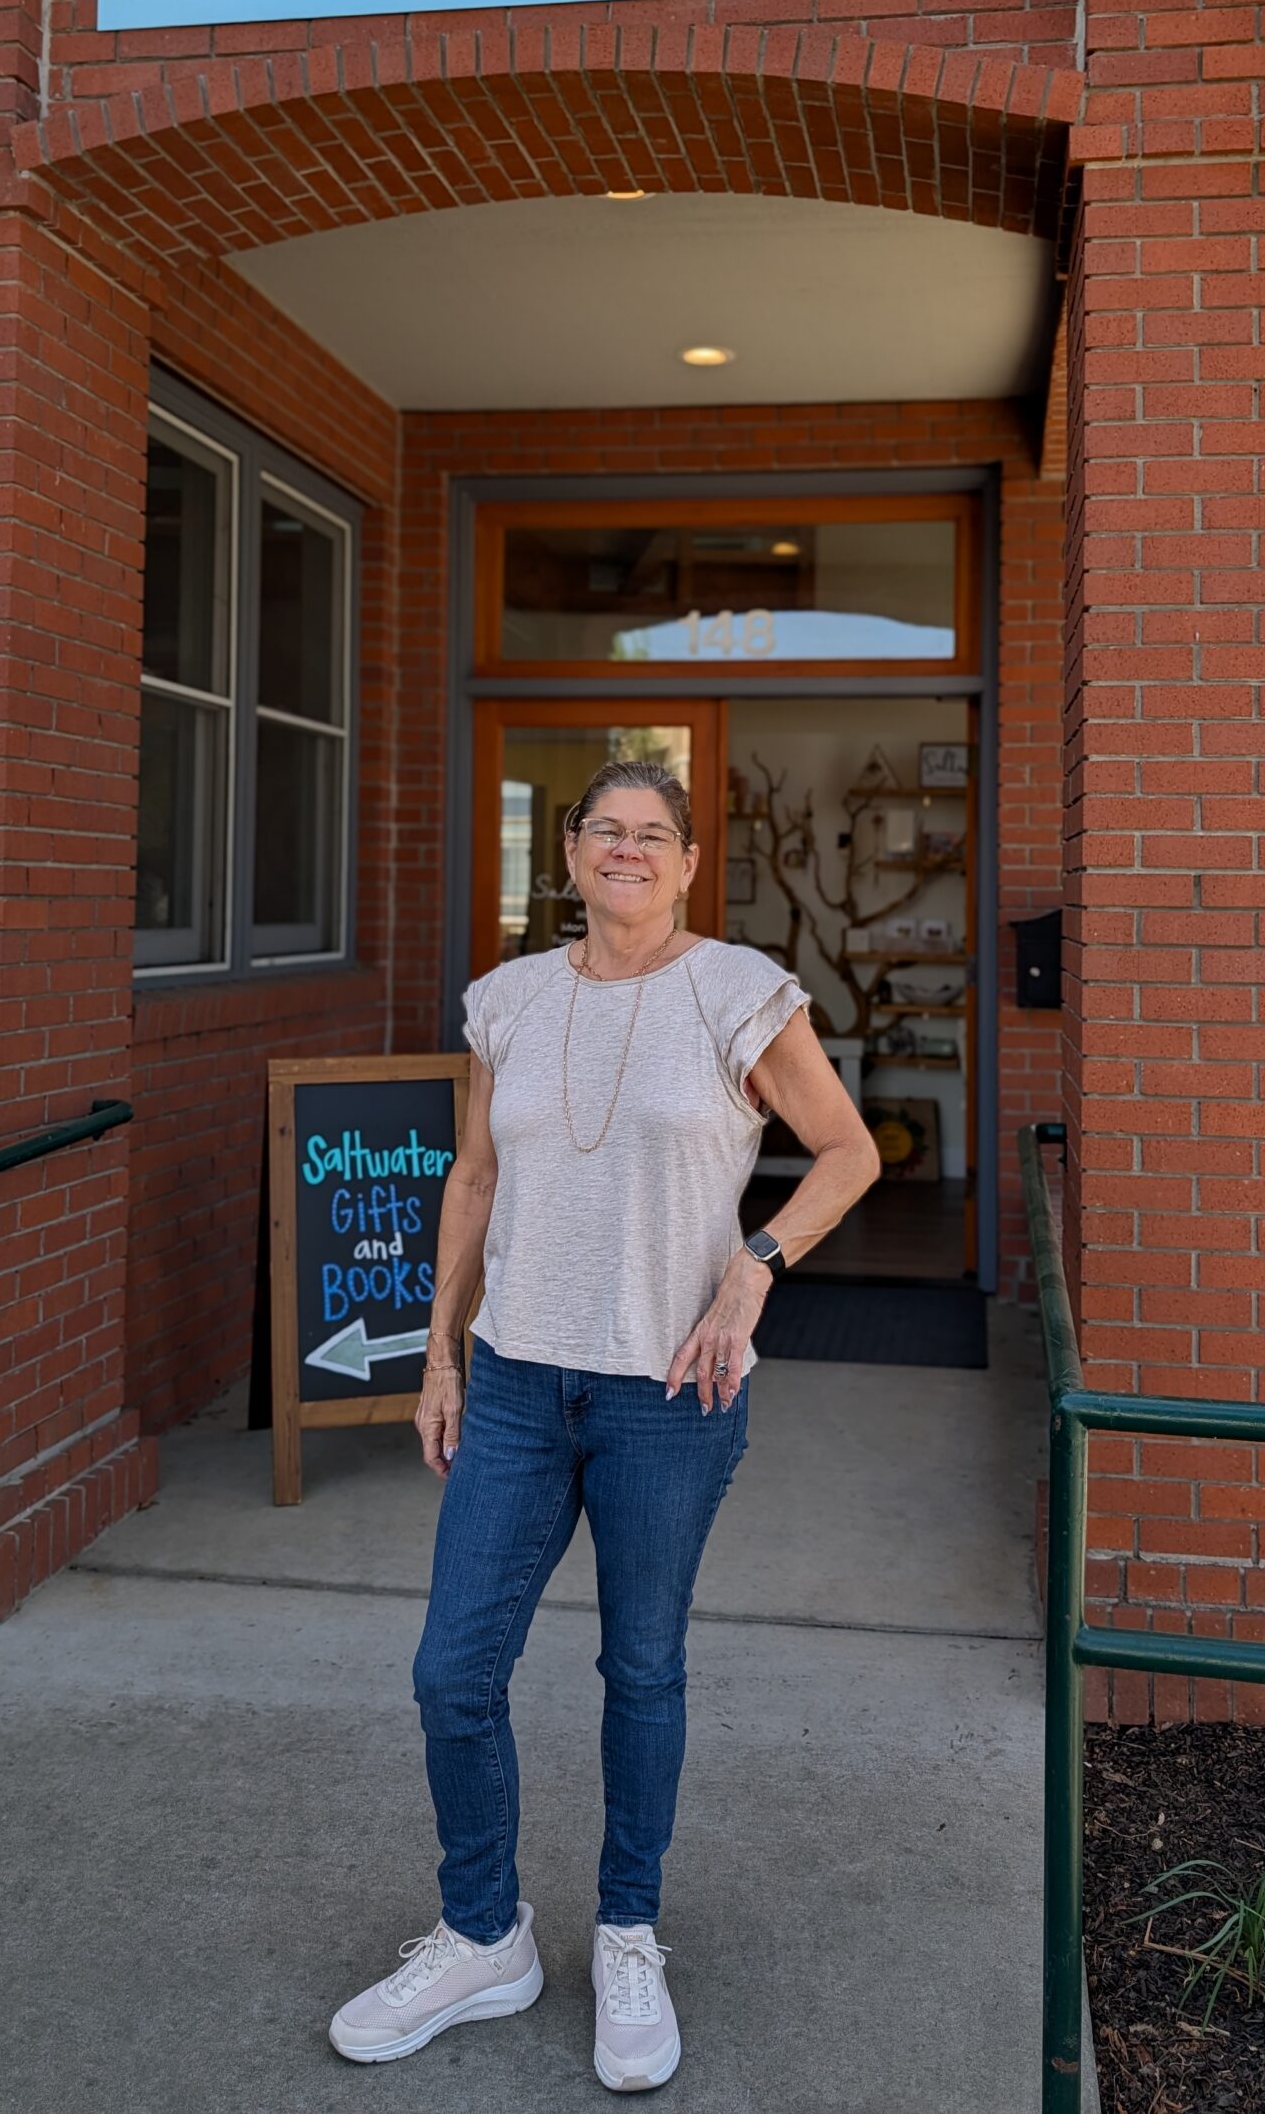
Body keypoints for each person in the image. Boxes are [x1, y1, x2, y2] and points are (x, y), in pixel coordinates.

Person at [328, 757, 880, 2090]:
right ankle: (483, 1937)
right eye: (605, 832)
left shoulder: (740, 993)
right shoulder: (508, 1003)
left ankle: (628, 1927)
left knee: (641, 1672)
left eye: (655, 836)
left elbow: (851, 1152)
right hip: (515, 1383)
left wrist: (755, 1269)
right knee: (452, 1674)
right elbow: (473, 1176)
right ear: (567, 855)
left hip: (668, 1399)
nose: (628, 852)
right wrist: (439, 1354)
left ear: (689, 865)